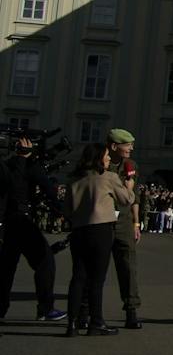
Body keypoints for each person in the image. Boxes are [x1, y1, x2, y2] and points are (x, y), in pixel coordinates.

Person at [64, 142, 136, 336]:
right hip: (101, 230)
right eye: (105, 157)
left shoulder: (74, 179)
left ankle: (72, 322)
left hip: (79, 230)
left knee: (78, 276)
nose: (108, 160)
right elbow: (127, 200)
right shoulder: (108, 177)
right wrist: (130, 185)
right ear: (98, 159)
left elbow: (67, 210)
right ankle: (96, 322)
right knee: (97, 279)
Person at [0, 133, 65, 323]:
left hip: (8, 221)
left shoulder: (8, 164)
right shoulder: (27, 166)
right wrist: (61, 209)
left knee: (6, 269)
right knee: (45, 261)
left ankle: (1, 309)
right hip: (21, 220)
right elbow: (47, 187)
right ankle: (45, 308)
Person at [105, 129, 144, 329]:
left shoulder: (131, 166)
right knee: (96, 267)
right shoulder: (100, 164)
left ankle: (131, 310)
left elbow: (135, 197)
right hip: (102, 220)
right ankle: (85, 310)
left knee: (128, 266)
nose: (131, 148)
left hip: (124, 221)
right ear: (114, 146)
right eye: (127, 144)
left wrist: (136, 223)